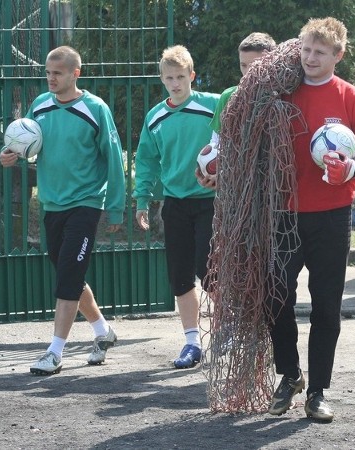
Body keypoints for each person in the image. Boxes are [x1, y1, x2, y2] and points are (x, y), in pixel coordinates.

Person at [261, 18, 355, 422]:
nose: (310, 58)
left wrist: (352, 167)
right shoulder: (280, 94)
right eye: (305, 49)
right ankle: (290, 375)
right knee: (276, 298)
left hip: (332, 218)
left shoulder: (354, 99)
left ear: (338, 55)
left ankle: (317, 392)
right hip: (283, 214)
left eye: (320, 51)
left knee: (326, 308)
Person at [0, 46, 126, 375]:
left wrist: (114, 208)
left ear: (75, 74)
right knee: (71, 274)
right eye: (47, 73)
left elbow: (114, 159)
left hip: (86, 203)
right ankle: (103, 332)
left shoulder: (95, 109)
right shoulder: (39, 106)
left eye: (57, 73)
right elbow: (23, 141)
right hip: (51, 204)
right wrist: (8, 154)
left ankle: (54, 353)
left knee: (69, 273)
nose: (50, 78)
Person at [133, 45, 219, 369]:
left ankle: (225, 334)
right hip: (175, 204)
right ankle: (192, 343)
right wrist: (142, 199)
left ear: (192, 76)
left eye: (181, 77)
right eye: (169, 78)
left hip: (210, 201)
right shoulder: (155, 117)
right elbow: (146, 161)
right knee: (180, 276)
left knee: (209, 270)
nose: (175, 83)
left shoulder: (212, 105)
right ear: (162, 79)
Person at [196, 32, 276, 190]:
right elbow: (217, 143)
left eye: (254, 65)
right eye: (243, 65)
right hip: (238, 190)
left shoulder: (284, 96)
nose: (247, 72)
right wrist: (210, 171)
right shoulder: (228, 97)